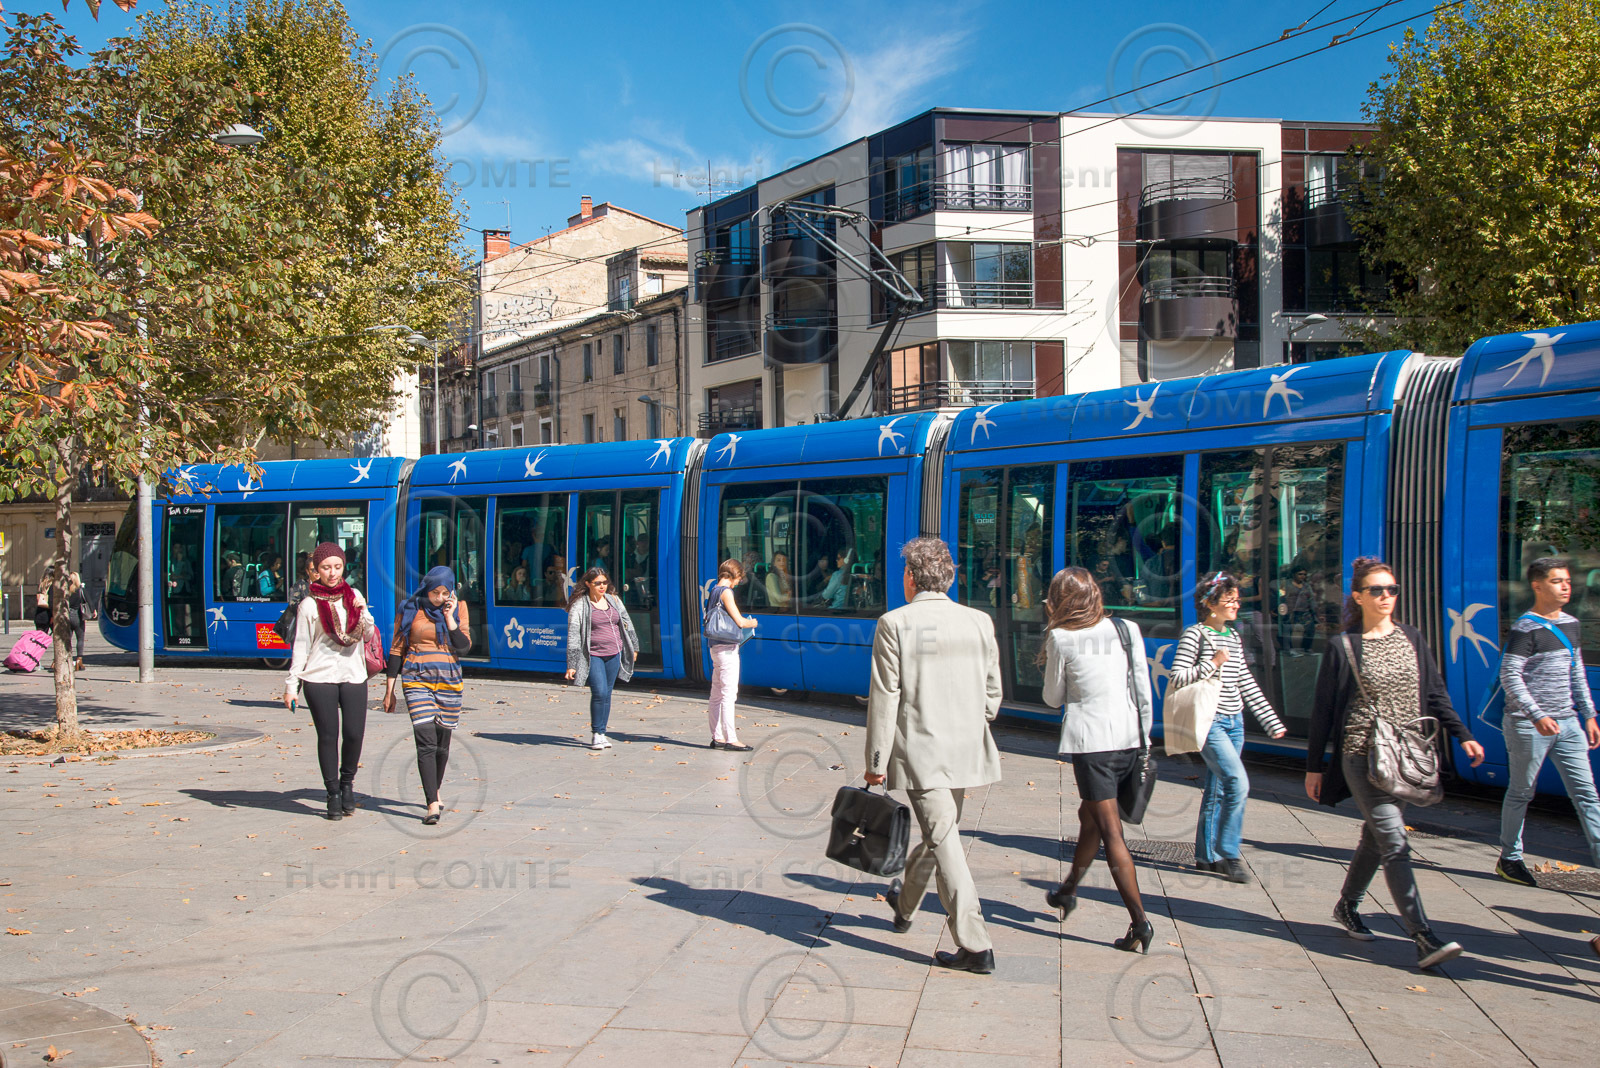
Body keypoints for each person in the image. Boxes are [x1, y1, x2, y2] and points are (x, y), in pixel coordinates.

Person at [1306, 556, 1485, 970]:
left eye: (1392, 589)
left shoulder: (1412, 637)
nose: (1386, 596)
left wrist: (1464, 735)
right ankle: (1422, 936)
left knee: (1376, 836)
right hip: (1360, 754)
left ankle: (1347, 905)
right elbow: (1323, 711)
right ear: (1358, 596)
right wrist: (1315, 767)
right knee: (1394, 841)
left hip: (1406, 756)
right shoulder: (1344, 646)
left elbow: (1435, 693)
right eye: (1377, 590)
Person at [866, 536, 1002, 974]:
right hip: (966, 749)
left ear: (910, 577)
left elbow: (885, 698)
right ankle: (905, 905)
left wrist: (875, 764)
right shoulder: (979, 621)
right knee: (940, 832)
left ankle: (976, 944)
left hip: (922, 752)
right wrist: (973, 721)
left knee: (944, 839)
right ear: (950, 576)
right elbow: (993, 694)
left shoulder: (894, 623)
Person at [1038, 567, 1156, 954]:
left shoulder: (1060, 637)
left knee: (1111, 832)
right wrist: (1145, 738)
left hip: (1092, 747)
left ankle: (1139, 921)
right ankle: (1068, 890)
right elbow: (1142, 689)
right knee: (1089, 816)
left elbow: (1052, 698)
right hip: (1130, 739)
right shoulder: (1126, 629)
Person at [1170, 572, 1287, 883]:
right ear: (1210, 604)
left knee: (1218, 787)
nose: (1236, 604)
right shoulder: (1195, 635)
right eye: (1230, 600)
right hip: (1210, 722)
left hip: (1235, 722)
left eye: (1237, 599)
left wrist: (1270, 721)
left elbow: (1245, 682)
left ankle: (1206, 857)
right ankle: (1229, 852)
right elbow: (1177, 677)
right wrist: (1212, 663)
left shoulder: (1233, 636)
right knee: (1237, 782)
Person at [1495, 557, 1600, 885]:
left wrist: (1589, 714)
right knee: (1522, 792)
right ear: (1537, 586)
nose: (1566, 586)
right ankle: (1510, 858)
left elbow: (1576, 672)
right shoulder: (1525, 628)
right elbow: (1510, 675)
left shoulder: (1571, 624)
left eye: (1567, 580)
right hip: (1528, 725)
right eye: (1557, 581)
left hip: (1568, 723)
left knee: (1587, 795)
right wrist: (1536, 715)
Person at [284, 543, 376, 822]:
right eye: (326, 568)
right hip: (319, 676)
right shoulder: (309, 604)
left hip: (353, 674)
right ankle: (333, 793)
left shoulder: (354, 596)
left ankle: (347, 783)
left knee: (354, 734)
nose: (333, 573)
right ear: (316, 570)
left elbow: (368, 635)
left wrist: (363, 612)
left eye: (337, 567)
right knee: (328, 736)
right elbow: (301, 647)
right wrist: (291, 686)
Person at [383, 566, 471, 825]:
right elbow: (397, 648)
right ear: (426, 589)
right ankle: (432, 803)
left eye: (445, 592)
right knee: (426, 742)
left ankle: (435, 789)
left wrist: (450, 618)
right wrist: (389, 690)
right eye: (435, 593)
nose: (440, 598)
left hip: (449, 682)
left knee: (442, 745)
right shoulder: (409, 608)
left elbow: (464, 646)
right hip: (416, 679)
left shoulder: (459, 608)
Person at [565, 567, 640, 750]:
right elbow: (574, 634)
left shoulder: (613, 600)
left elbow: (627, 622)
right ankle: (596, 733)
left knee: (607, 693)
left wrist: (634, 646)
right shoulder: (581, 605)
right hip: (593, 655)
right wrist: (572, 664)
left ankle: (602, 733)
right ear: (588, 584)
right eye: (597, 583)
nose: (602, 586)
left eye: (605, 582)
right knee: (599, 692)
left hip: (614, 653)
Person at [704, 558, 759, 751]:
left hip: (715, 648)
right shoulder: (726, 592)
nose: (738, 583)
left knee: (716, 694)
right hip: (727, 649)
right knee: (728, 695)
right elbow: (740, 621)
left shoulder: (714, 590)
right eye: (739, 578)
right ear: (734, 575)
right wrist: (752, 623)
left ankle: (717, 737)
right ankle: (731, 739)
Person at [64, 572, 90, 671]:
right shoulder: (80, 590)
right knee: (80, 638)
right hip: (78, 616)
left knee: (68, 639)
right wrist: (93, 611)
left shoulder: (66, 592)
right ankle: (79, 660)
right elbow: (89, 601)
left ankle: (68, 659)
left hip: (67, 616)